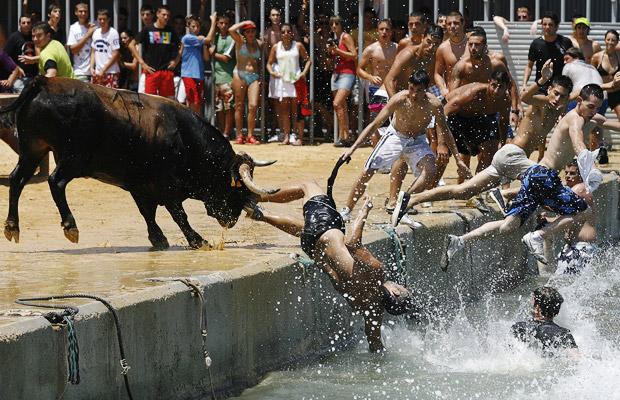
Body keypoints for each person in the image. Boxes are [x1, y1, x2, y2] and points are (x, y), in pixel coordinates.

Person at [439, 84, 608, 269]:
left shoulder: (585, 117)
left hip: (535, 176)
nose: (594, 111)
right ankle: (539, 236)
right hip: (545, 177)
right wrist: (587, 162)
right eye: (591, 107)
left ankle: (459, 241)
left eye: (597, 108)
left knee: (508, 226)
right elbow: (577, 141)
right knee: (583, 210)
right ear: (579, 101)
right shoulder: (576, 119)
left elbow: (603, 121)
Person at [245, 178, 415, 352]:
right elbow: (375, 345)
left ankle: (253, 196)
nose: (397, 283)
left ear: (395, 293)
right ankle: (259, 214)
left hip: (325, 229)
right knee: (306, 229)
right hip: (311, 246)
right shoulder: (371, 310)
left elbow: (352, 243)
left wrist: (365, 210)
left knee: (308, 185)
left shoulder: (377, 275)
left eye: (400, 286)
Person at [392, 61, 573, 223]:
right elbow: (525, 97)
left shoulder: (559, 110)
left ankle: (411, 199)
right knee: (546, 180)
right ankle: (503, 195)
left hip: (512, 160)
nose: (557, 99)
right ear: (549, 90)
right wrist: (541, 80)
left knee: (464, 191)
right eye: (555, 93)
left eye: (562, 96)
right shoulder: (542, 102)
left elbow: (581, 104)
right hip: (512, 155)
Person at [339, 70, 470, 220]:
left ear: (426, 90)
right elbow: (375, 124)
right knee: (368, 170)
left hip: (417, 139)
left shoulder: (434, 104)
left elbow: (445, 130)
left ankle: (404, 202)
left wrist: (458, 160)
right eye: (411, 89)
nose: (414, 94)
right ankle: (347, 209)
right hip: (396, 136)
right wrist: (352, 149)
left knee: (431, 170)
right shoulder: (399, 99)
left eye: (419, 90)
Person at [444, 70, 511, 182]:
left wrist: (503, 145)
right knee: (442, 155)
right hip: (453, 115)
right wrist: (441, 143)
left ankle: (475, 185)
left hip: (477, 118)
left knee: (491, 150)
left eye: (501, 87)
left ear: (506, 87)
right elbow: (444, 113)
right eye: (494, 85)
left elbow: (503, 123)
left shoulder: (505, 100)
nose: (496, 91)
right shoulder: (474, 93)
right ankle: (430, 188)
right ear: (489, 82)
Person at [266, 23, 311, 145]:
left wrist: (303, 73)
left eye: (288, 31)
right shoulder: (276, 47)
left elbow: (308, 60)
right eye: (283, 32)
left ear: (292, 33)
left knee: (297, 110)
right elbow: (269, 63)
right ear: (280, 34)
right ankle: (286, 136)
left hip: (296, 81)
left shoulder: (298, 45)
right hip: (283, 81)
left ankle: (297, 136)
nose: (286, 34)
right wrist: (272, 73)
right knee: (284, 111)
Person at [553, 161, 597, 274]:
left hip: (582, 247)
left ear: (581, 176)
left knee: (560, 280)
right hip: (574, 247)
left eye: (572, 173)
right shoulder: (572, 192)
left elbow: (560, 210)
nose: (568, 176)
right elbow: (564, 219)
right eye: (566, 173)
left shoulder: (580, 189)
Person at [129, 5, 180, 99]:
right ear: (157, 14)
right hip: (151, 71)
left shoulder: (171, 30)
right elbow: (131, 45)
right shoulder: (147, 29)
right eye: (164, 15)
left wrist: (176, 61)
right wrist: (142, 63)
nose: (166, 17)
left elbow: (181, 45)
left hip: (166, 72)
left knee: (167, 101)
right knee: (150, 101)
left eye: (168, 15)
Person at [512, 286, 578, 355]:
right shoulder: (563, 334)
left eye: (532, 301)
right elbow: (576, 358)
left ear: (537, 307)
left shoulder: (520, 328)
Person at [356, 19, 397, 130]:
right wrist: (370, 77)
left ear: (391, 32)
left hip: (393, 88)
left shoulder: (397, 48)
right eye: (381, 29)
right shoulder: (371, 49)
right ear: (377, 31)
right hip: (376, 87)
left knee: (394, 120)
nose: (384, 32)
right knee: (377, 120)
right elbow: (359, 70)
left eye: (387, 29)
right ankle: (375, 140)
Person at [229, 20, 262, 144]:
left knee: (253, 106)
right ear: (244, 33)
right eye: (248, 32)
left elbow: (260, 63)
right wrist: (245, 22)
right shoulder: (240, 41)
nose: (251, 34)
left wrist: (261, 78)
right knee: (239, 105)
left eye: (252, 31)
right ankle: (239, 135)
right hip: (240, 74)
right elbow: (231, 30)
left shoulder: (259, 43)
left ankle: (250, 135)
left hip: (253, 76)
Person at [523, 12, 572, 92]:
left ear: (556, 26)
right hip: (541, 86)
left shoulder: (565, 42)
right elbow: (529, 66)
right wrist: (524, 84)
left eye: (550, 25)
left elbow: (573, 63)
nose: (547, 27)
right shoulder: (536, 43)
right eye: (544, 24)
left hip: (560, 88)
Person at [328, 16, 357, 147]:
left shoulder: (345, 37)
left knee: (337, 103)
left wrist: (337, 50)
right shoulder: (334, 39)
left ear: (341, 25)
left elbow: (354, 55)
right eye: (332, 24)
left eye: (337, 23)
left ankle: (344, 136)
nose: (334, 26)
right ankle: (345, 136)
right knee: (341, 106)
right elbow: (330, 61)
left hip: (347, 73)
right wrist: (330, 52)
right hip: (336, 73)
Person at [206, 13, 235, 138]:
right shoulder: (215, 37)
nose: (223, 26)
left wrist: (212, 53)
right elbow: (208, 45)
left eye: (226, 23)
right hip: (216, 78)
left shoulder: (232, 38)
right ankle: (221, 132)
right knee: (219, 108)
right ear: (217, 24)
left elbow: (225, 58)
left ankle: (227, 132)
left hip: (228, 78)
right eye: (221, 23)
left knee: (228, 107)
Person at [179, 15, 208, 116]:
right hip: (189, 74)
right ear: (188, 27)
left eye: (198, 26)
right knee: (193, 100)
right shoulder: (187, 38)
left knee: (197, 101)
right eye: (193, 26)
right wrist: (213, 22)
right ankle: (192, 121)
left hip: (199, 74)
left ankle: (196, 121)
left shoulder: (198, 39)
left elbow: (206, 57)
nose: (196, 29)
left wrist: (204, 43)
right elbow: (208, 39)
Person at [434, 11, 467, 99]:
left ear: (463, 23)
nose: (452, 26)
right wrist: (442, 88)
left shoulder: (472, 44)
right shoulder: (442, 48)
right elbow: (438, 73)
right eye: (449, 24)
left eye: (456, 23)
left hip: (471, 93)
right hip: (452, 95)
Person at [4, 15, 37, 93]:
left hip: (34, 76)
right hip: (19, 77)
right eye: (23, 23)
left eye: (28, 22)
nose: (26, 25)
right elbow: (6, 57)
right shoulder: (14, 37)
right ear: (19, 24)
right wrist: (16, 68)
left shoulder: (34, 37)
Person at [592, 30, 620, 121]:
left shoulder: (619, 56)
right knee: (595, 121)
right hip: (602, 92)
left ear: (617, 42)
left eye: (613, 40)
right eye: (608, 39)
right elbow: (591, 76)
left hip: (616, 92)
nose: (610, 42)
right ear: (604, 40)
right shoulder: (596, 57)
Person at [90, 9, 120, 89]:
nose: (102, 21)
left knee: (110, 96)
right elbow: (93, 51)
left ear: (108, 19)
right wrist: (91, 67)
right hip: (97, 72)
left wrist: (103, 70)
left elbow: (115, 54)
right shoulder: (96, 32)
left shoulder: (113, 33)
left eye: (104, 19)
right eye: (100, 19)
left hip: (111, 72)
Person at [66, 2, 96, 83]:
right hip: (80, 71)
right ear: (76, 12)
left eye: (85, 11)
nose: (83, 13)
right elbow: (73, 50)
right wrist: (88, 35)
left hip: (96, 70)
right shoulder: (73, 28)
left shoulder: (94, 26)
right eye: (80, 11)